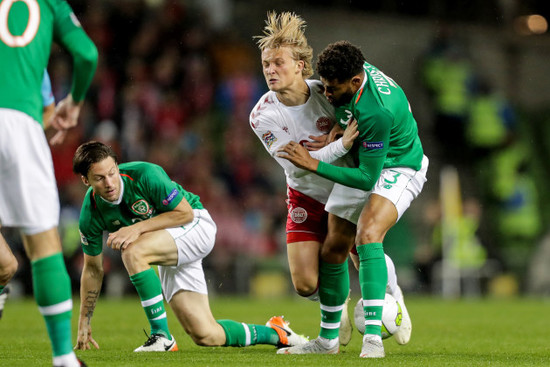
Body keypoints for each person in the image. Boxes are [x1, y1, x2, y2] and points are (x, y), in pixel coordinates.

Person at [251, 12, 412, 353]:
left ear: (301, 66)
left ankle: (392, 303)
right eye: (265, 63)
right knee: (306, 284)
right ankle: (334, 309)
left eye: (278, 62)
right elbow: (300, 166)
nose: (269, 70)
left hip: (347, 187)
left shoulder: (328, 91)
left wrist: (340, 140)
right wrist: (339, 143)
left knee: (364, 247)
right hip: (306, 194)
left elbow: (369, 114)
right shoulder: (263, 115)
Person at [72, 141, 308, 352]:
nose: (110, 182)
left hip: (195, 224)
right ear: (86, 181)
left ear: (117, 165)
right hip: (166, 245)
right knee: (205, 334)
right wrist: (84, 319)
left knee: (133, 251)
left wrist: (136, 229)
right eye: (99, 178)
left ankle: (161, 336)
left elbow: (183, 213)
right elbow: (93, 269)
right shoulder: (90, 214)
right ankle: (277, 333)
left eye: (112, 173)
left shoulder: (145, 174)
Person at [278, 41, 428, 358]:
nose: (326, 94)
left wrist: (313, 163)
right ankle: (328, 342)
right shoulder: (350, 73)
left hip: (399, 165)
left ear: (356, 82)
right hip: (361, 155)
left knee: (368, 233)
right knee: (336, 245)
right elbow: (348, 113)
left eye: (332, 89)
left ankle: (372, 338)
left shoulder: (377, 111)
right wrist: (337, 125)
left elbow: (366, 178)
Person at [0, 1, 98, 366]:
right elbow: (87, 53)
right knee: (43, 247)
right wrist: (73, 102)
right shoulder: (48, 4)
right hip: (20, 126)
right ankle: (63, 360)